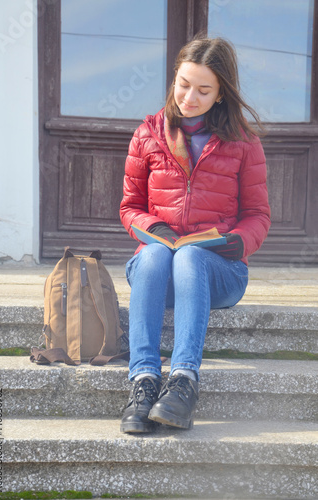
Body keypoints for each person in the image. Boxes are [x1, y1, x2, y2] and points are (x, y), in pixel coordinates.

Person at [119, 37, 271, 434]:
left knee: (189, 257)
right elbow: (129, 207)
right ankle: (144, 382)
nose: (189, 96)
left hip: (219, 273)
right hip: (159, 274)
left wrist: (237, 242)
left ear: (222, 94)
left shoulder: (243, 142)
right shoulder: (147, 135)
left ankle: (183, 383)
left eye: (204, 90)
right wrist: (157, 230)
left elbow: (257, 215)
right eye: (183, 84)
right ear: (174, 79)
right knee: (153, 256)